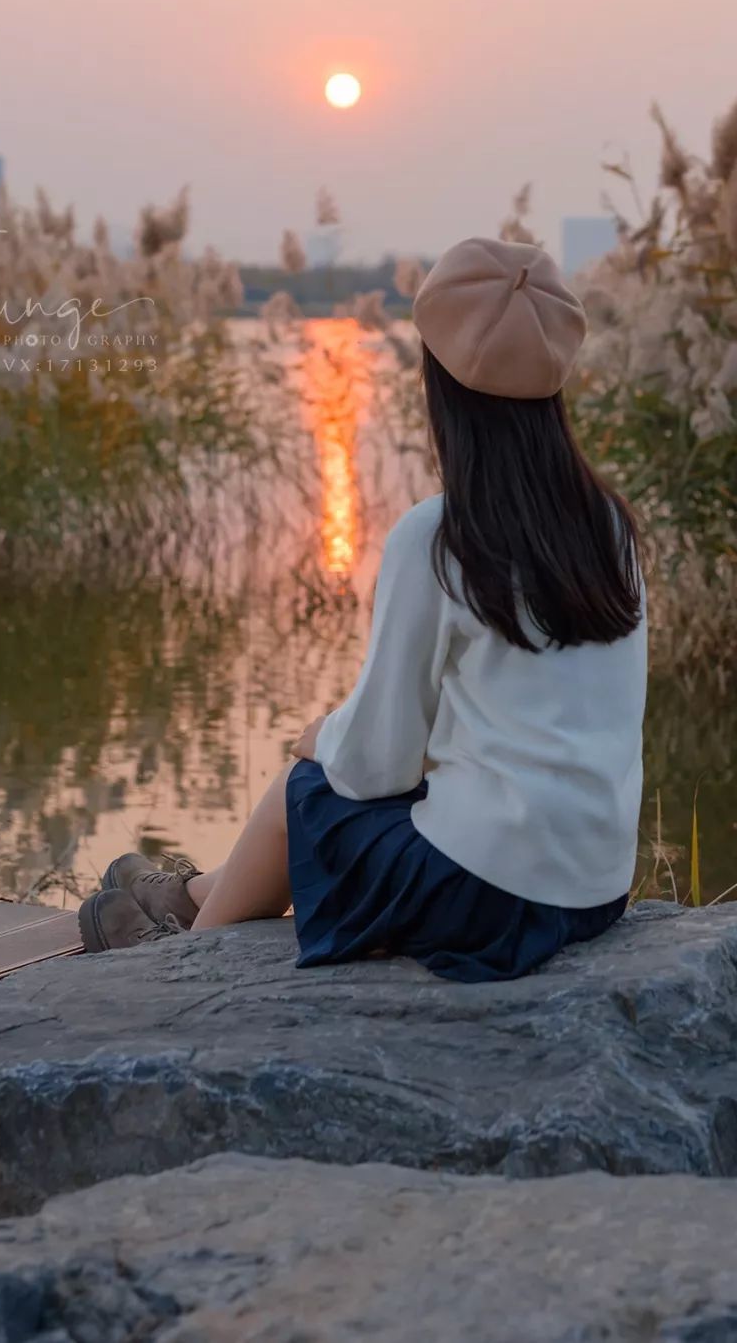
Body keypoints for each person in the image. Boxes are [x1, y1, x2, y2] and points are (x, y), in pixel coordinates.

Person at [77, 236, 648, 981]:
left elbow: (376, 765)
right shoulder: (609, 526)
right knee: (335, 786)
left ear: (437, 383)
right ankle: (193, 897)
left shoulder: (441, 537)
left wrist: (322, 735)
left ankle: (178, 962)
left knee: (306, 787)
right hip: (596, 889)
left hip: (493, 898)